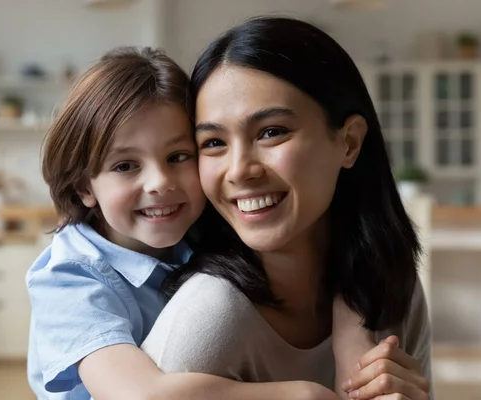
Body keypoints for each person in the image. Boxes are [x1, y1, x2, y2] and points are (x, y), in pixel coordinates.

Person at [27, 46, 373, 400]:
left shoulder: (199, 229)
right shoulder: (69, 279)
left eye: (178, 156)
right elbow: (140, 395)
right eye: (125, 166)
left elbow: (335, 248)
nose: (159, 182)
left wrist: (352, 337)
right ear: (85, 186)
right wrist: (301, 395)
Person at [141, 17, 434, 400]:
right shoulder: (211, 314)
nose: (240, 170)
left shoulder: (391, 286)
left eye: (271, 132)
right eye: (213, 142)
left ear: (348, 143)